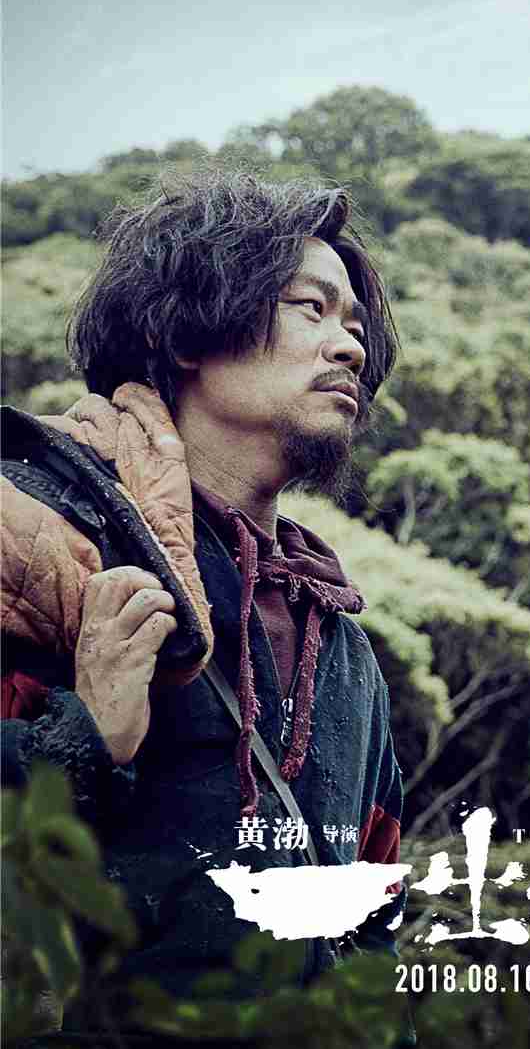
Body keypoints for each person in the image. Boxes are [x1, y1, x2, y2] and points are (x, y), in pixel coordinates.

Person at [1, 171, 408, 1037]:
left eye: (354, 325)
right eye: (311, 308)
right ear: (188, 333)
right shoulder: (40, 540)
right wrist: (83, 739)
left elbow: (374, 909)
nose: (349, 347)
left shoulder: (342, 648)